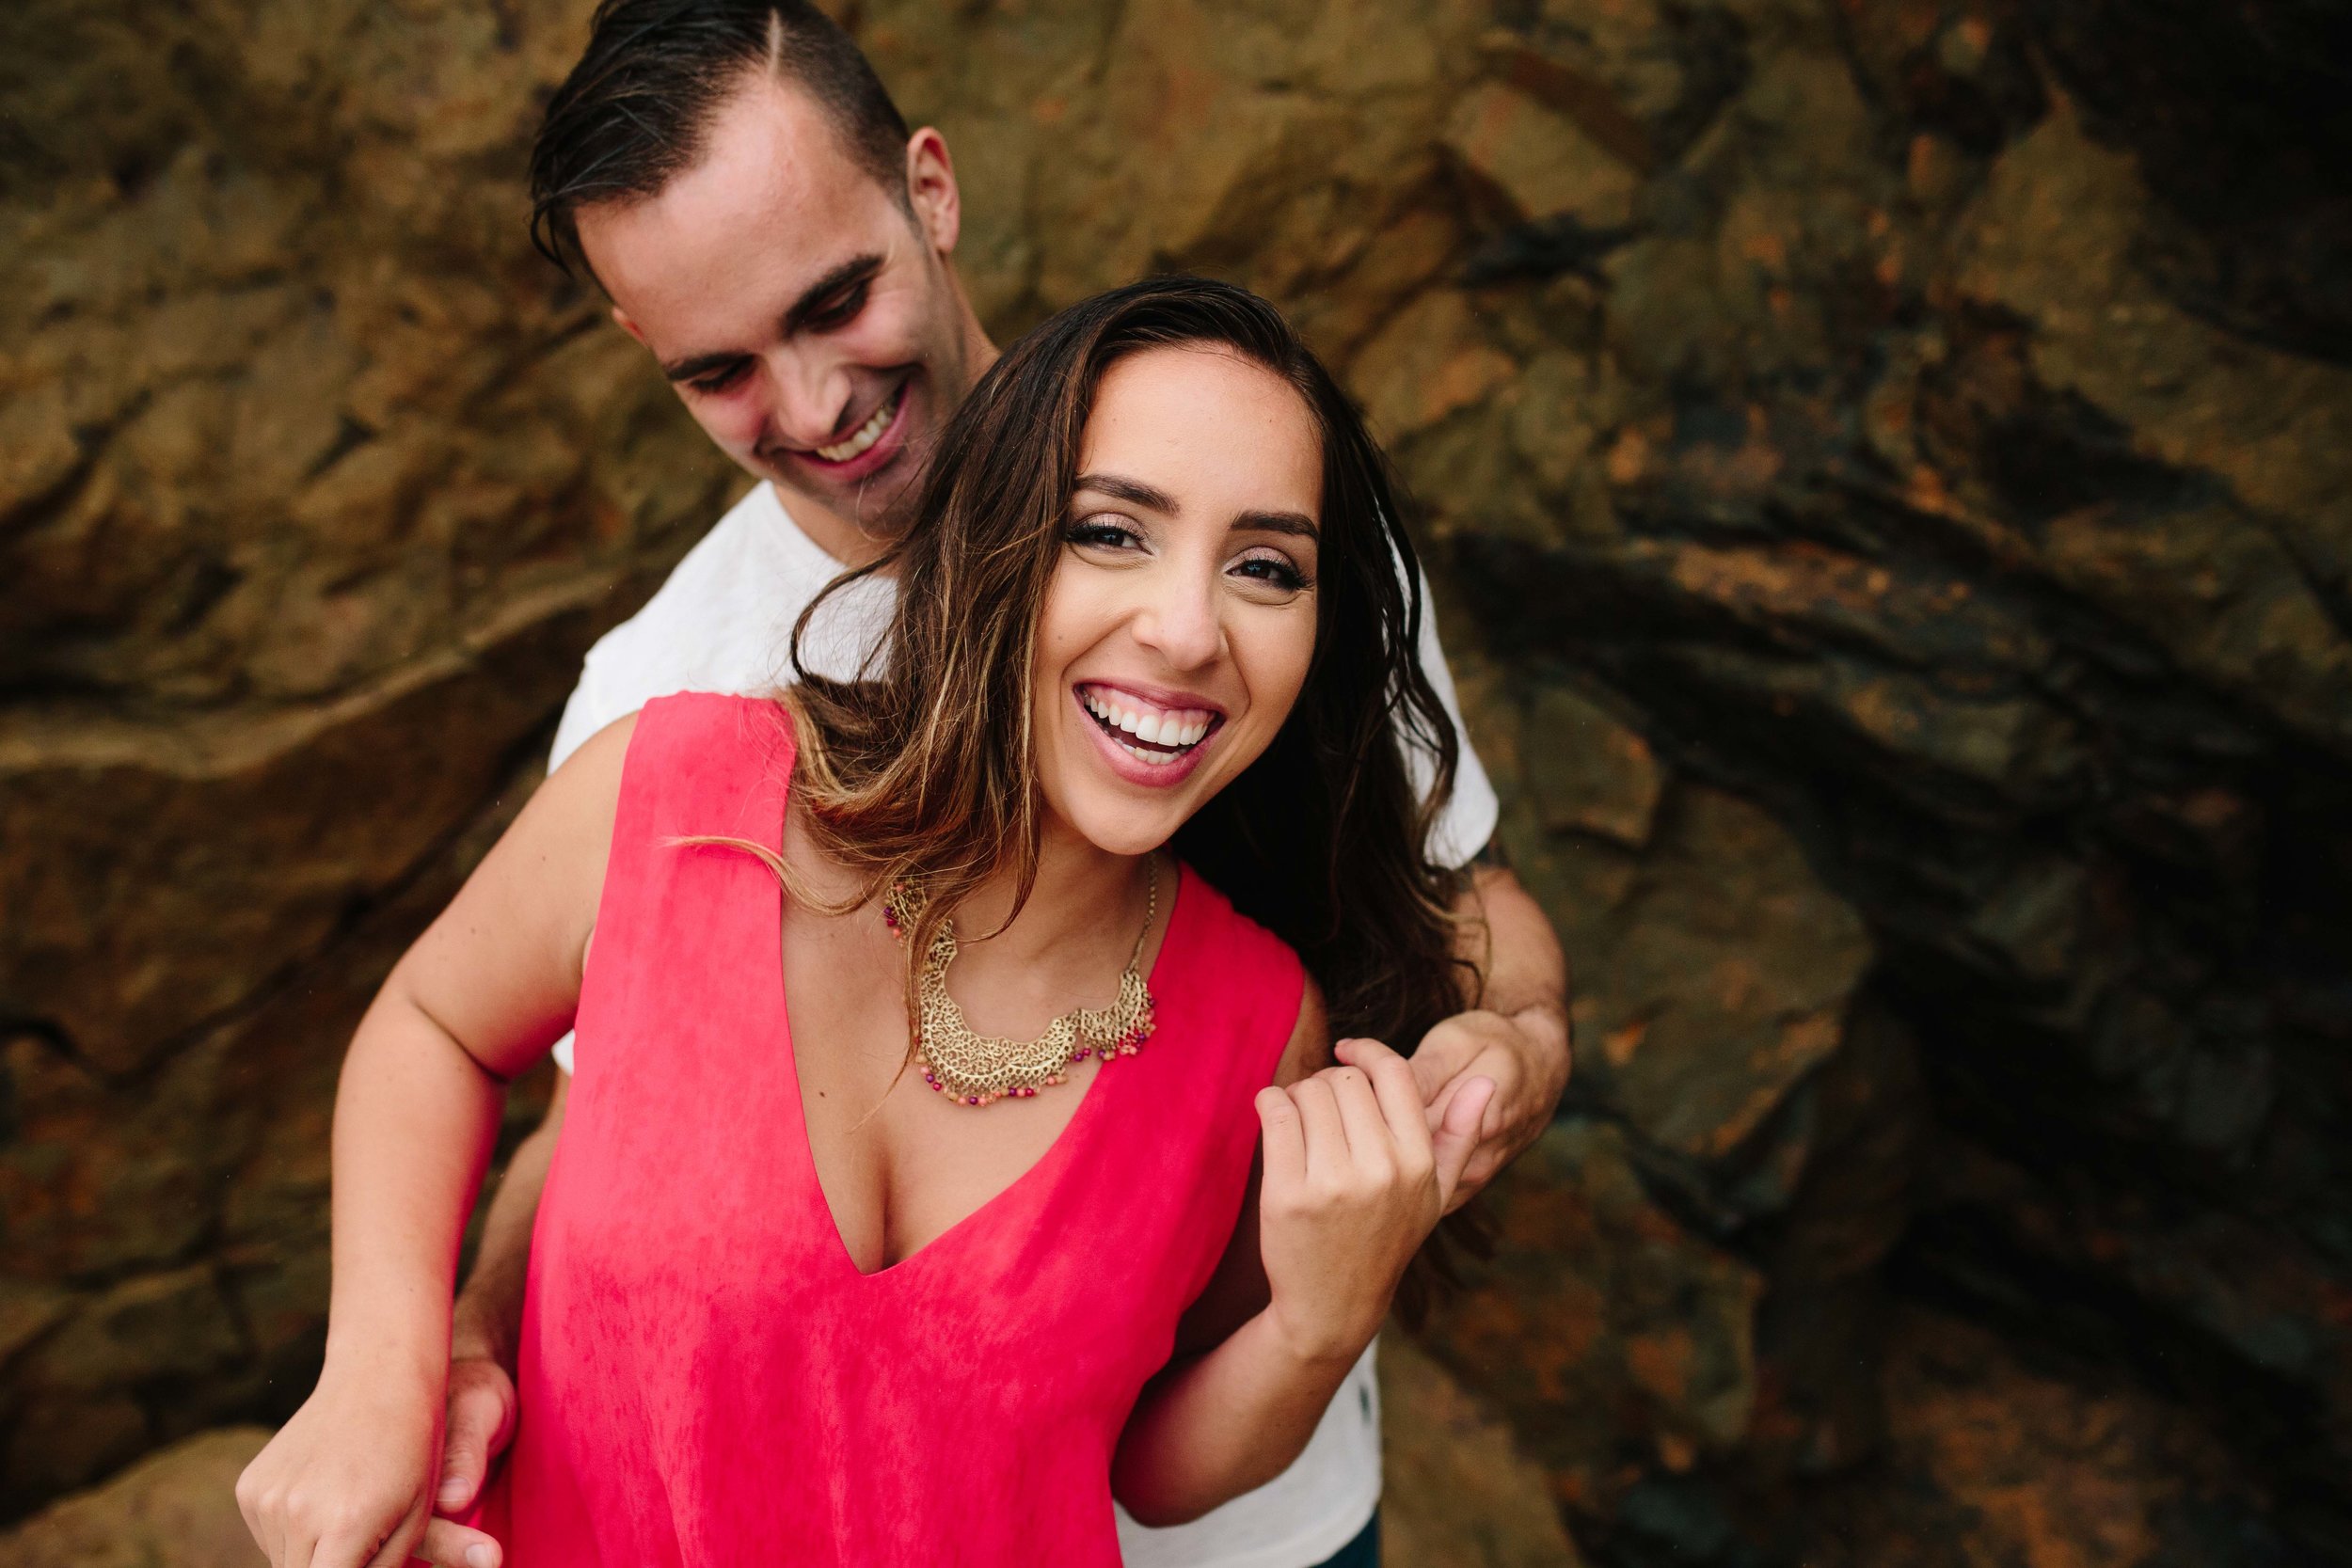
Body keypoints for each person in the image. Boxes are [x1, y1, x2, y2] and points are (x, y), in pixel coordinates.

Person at [408, 4, 1569, 1565]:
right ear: (647, 351)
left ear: (931, 195)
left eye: (836, 298)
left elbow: (1464, 901)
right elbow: (597, 1117)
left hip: (1255, 1521)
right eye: (721, 369)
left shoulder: (1252, 491)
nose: (812, 404)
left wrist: (1511, 1053)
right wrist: (460, 1346)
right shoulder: (666, 701)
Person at [235, 277, 1503, 1567]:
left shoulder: (1258, 1026)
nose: (1186, 631)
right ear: (992, 536)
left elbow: (1142, 1470)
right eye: (1111, 534)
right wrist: (379, 1380)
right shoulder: (674, 793)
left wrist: (1320, 1323)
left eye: (1265, 568)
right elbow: (433, 1025)